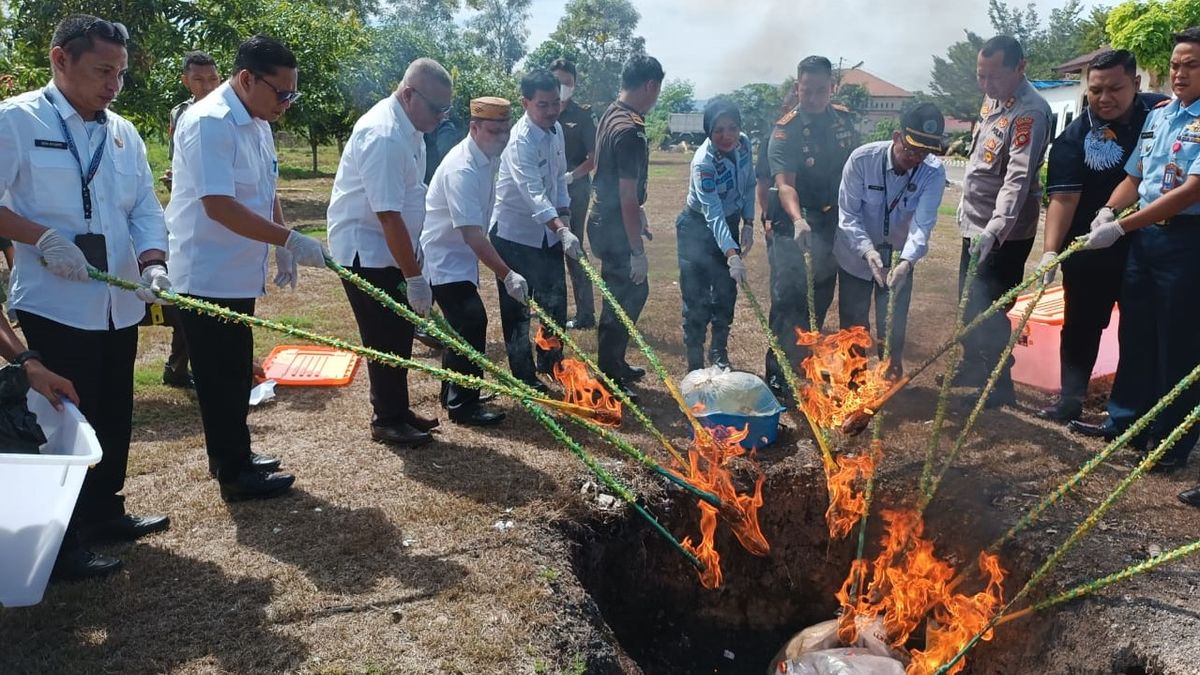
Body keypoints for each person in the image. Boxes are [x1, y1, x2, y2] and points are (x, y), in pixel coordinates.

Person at [0, 14, 172, 579]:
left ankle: (104, 511)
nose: (113, 84)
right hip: (55, 301)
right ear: (60, 59)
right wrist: (40, 237)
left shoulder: (122, 133)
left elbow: (144, 207)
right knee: (68, 419)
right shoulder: (17, 121)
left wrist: (153, 262)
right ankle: (63, 540)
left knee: (113, 411)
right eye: (103, 70)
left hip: (117, 303)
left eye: (120, 73)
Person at [167, 34, 323, 501]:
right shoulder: (210, 122)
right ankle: (233, 472)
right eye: (282, 92)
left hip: (238, 269)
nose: (287, 104)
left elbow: (267, 185)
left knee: (236, 370)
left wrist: (282, 241)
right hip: (207, 272)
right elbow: (218, 205)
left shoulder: (258, 119)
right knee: (219, 376)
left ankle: (237, 453)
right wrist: (290, 238)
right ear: (246, 79)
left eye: (293, 94)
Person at [1069, 28, 1200, 508]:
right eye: (1176, 64)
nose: (1180, 73)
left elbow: (1189, 191)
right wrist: (1109, 210)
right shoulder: (1161, 116)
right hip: (1145, 240)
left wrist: (1122, 229)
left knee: (1177, 342)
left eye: (1191, 65)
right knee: (1137, 333)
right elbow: (1135, 175)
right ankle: (1125, 422)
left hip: (1188, 242)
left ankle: (1169, 441)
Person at [327, 58, 453, 448]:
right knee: (382, 337)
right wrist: (415, 277)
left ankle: (397, 410)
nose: (441, 117)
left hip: (392, 251)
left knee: (398, 334)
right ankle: (386, 419)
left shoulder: (411, 129)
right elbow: (388, 216)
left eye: (446, 110)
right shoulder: (383, 134)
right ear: (409, 94)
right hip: (368, 252)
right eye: (437, 108)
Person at [1036, 50, 1166, 423]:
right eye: (1096, 90)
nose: (1104, 98)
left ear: (1136, 84)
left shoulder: (1161, 114)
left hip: (1144, 245)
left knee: (1140, 327)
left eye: (1115, 88)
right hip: (1090, 245)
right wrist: (1050, 252)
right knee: (1081, 324)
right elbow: (1063, 198)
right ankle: (1071, 398)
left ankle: (1132, 406)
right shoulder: (1073, 139)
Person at [955, 35, 1052, 408]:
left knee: (990, 310)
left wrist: (995, 230)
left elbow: (1017, 179)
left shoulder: (1030, 113)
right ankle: (972, 367)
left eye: (994, 77)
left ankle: (998, 385)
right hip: (973, 224)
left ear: (1020, 67)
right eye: (981, 76)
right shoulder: (992, 100)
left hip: (1004, 234)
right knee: (967, 305)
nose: (986, 85)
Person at [422, 97, 524, 425]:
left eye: (505, 131)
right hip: (442, 257)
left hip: (458, 257)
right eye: (494, 131)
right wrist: (508, 275)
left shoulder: (488, 157)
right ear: (474, 128)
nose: (502, 137)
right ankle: (464, 405)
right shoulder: (462, 168)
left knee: (462, 325)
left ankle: (454, 392)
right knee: (471, 320)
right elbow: (472, 234)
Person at [765, 55, 859, 395]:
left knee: (819, 296)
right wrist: (799, 219)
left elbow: (856, 170)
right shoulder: (785, 130)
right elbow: (785, 183)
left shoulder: (846, 122)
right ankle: (778, 375)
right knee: (787, 299)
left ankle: (803, 363)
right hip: (795, 221)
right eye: (808, 91)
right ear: (797, 88)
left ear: (832, 88)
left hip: (832, 220)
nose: (815, 98)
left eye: (822, 91)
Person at [834, 103, 947, 373]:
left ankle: (890, 369)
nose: (916, 158)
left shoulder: (933, 172)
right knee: (853, 322)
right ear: (897, 137)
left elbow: (922, 223)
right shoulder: (862, 160)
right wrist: (867, 251)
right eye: (911, 149)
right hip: (856, 257)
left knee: (894, 320)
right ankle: (852, 376)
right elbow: (848, 215)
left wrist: (907, 261)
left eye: (924, 152)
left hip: (898, 258)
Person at [490, 69, 577, 392]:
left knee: (554, 304)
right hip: (514, 236)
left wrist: (564, 222)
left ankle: (552, 365)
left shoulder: (556, 132)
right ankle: (524, 376)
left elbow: (557, 182)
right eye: (543, 105)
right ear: (525, 103)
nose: (551, 110)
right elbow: (534, 194)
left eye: (555, 102)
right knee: (518, 310)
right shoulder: (519, 141)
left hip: (549, 233)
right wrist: (560, 227)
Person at [588, 55, 665, 400]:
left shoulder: (612, 112)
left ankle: (614, 363)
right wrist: (636, 251)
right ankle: (608, 373)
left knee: (622, 295)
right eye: (658, 90)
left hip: (604, 218)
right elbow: (626, 195)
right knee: (626, 295)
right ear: (650, 85)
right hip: (615, 225)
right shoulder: (630, 129)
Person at [157, 50, 221, 389]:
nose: (208, 85)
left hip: (219, 217)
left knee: (200, 298)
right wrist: (174, 177)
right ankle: (179, 366)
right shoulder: (181, 113)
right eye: (199, 79)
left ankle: (182, 366)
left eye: (213, 78)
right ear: (186, 80)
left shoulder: (227, 112)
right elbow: (177, 160)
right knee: (185, 296)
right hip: (187, 217)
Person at [676, 99, 755, 371]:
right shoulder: (703, 163)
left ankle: (719, 352)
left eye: (732, 127)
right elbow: (712, 214)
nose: (727, 136)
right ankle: (695, 362)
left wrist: (749, 222)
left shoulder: (743, 144)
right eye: (719, 130)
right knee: (695, 298)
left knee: (725, 294)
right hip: (697, 229)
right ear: (709, 131)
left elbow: (750, 182)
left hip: (730, 222)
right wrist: (732, 255)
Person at [550, 58, 598, 330]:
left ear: (575, 85)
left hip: (574, 190)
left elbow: (594, 158)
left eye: (567, 83)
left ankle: (585, 313)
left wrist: (571, 176)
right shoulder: (543, 110)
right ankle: (547, 304)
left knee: (573, 248)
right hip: (546, 191)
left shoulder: (582, 116)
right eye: (558, 81)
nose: (563, 88)